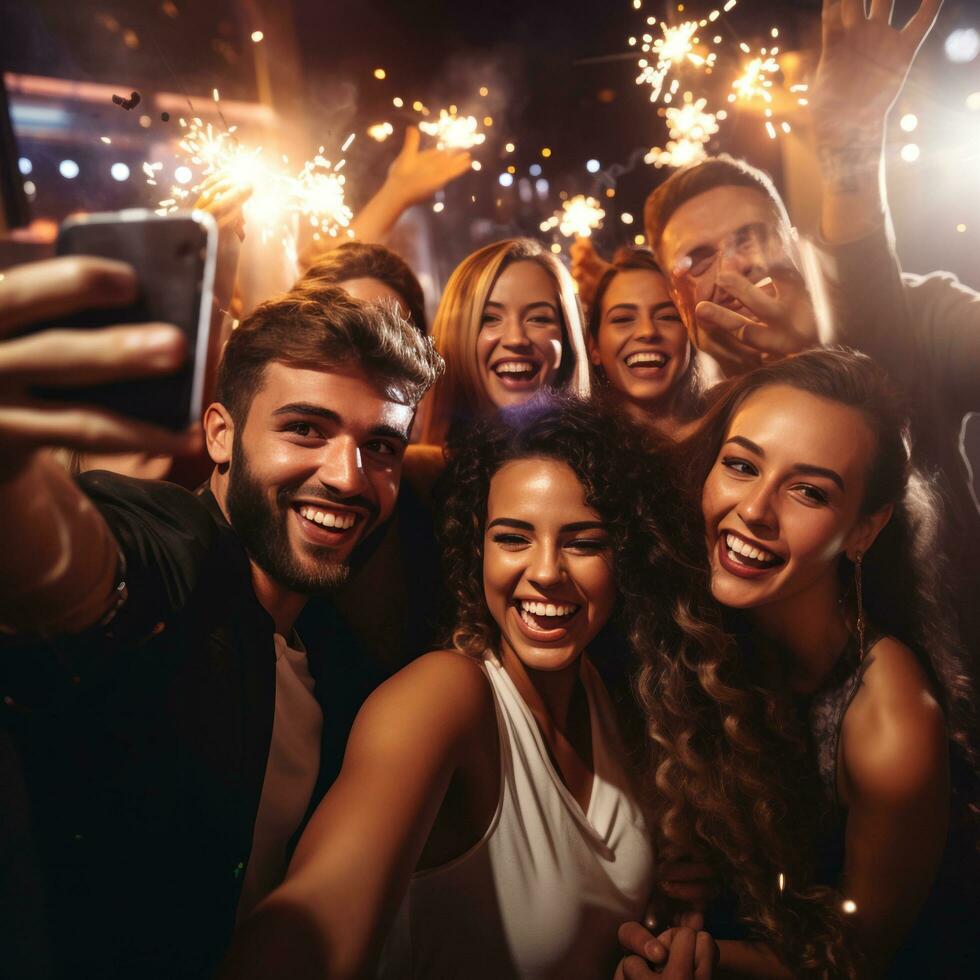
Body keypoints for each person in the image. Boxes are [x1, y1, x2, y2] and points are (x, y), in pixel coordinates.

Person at [0, 259, 443, 980]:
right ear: (219, 436)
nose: (348, 475)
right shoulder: (176, 548)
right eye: (305, 429)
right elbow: (94, 566)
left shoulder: (341, 663)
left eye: (380, 447)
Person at [220, 395, 721, 980]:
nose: (546, 572)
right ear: (476, 549)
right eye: (513, 538)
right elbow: (309, 929)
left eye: (584, 542)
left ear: (626, 557)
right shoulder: (442, 697)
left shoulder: (606, 694)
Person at [619, 349, 976, 977]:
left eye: (808, 491)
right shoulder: (695, 619)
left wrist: (697, 957)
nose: (755, 510)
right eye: (741, 466)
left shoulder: (891, 720)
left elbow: (858, 962)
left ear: (865, 530)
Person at [806, 0, 980, 657]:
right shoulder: (719, 420)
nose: (734, 271)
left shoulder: (923, 313)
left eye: (748, 237)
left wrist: (849, 144)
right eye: (697, 258)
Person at [420, 237, 591, 445]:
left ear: (568, 337)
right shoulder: (418, 471)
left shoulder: (601, 468)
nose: (516, 339)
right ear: (456, 334)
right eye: (490, 318)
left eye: (538, 318)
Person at [586, 247, 703, 440]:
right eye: (623, 319)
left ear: (691, 335)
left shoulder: (730, 428)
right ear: (594, 347)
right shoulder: (572, 453)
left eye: (667, 316)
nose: (647, 332)